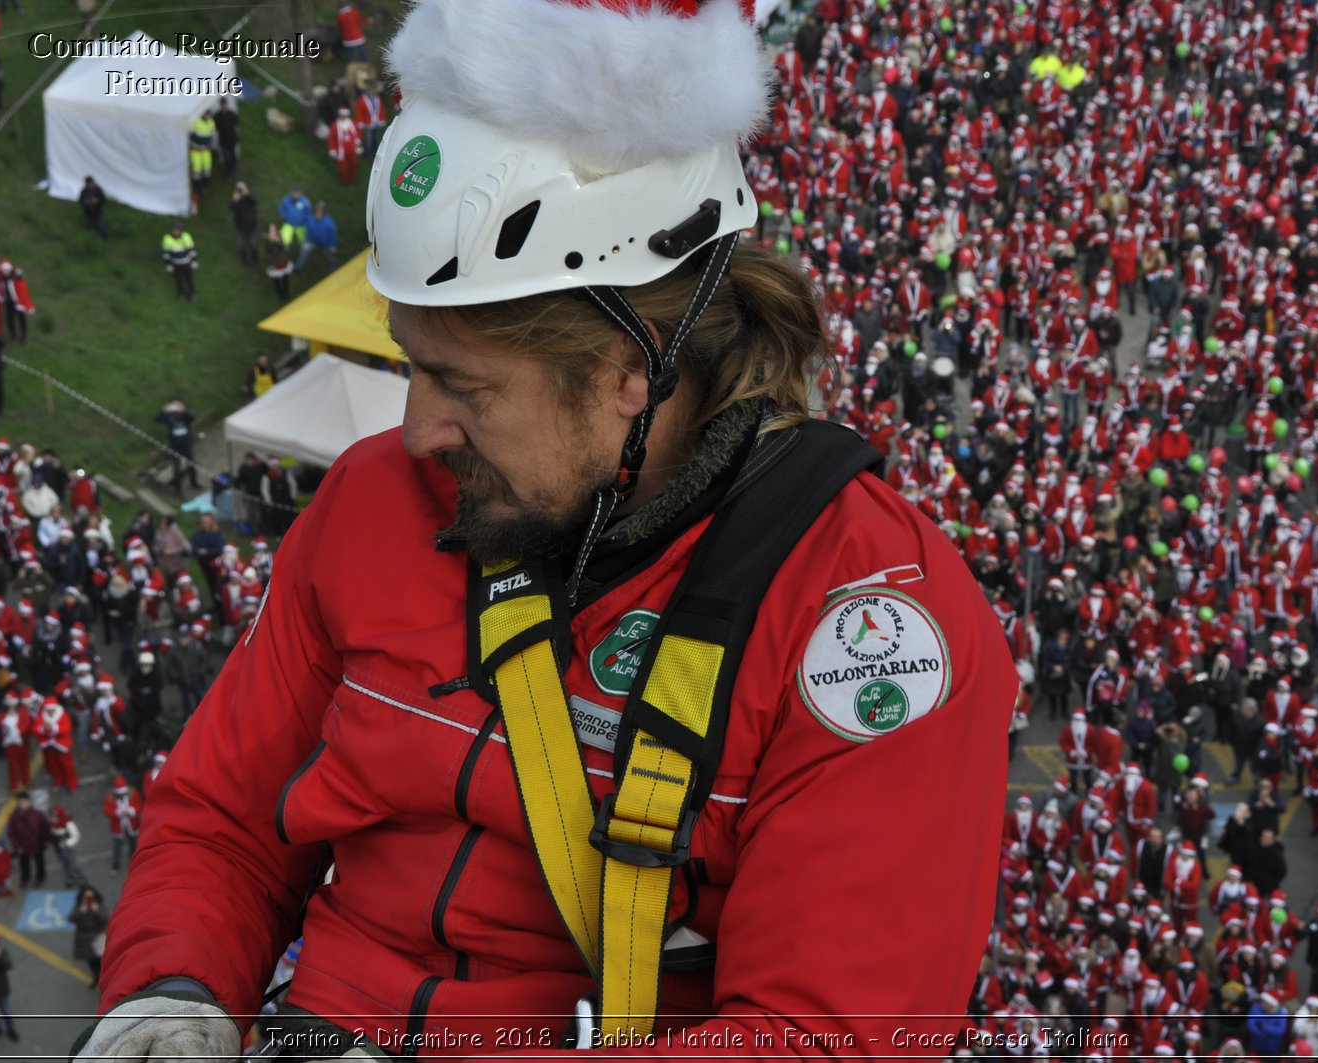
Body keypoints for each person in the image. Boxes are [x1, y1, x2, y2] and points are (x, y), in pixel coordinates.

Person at [78, 1, 1016, 1058]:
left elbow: (822, 1034)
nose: (417, 430)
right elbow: (224, 821)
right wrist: (170, 989)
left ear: (632, 372)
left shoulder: (870, 626)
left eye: (460, 385)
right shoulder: (370, 504)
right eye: (409, 363)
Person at [6, 790, 50, 889]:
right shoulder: (14, 817)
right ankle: (25, 879)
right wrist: (17, 847)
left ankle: (40, 877)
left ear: (29, 802)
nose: (23, 804)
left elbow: (45, 827)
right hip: (23, 847)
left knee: (40, 862)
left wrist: (46, 840)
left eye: (25, 801)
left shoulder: (37, 814)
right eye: (20, 802)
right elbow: (11, 833)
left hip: (37, 844)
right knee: (24, 865)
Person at [154, 399, 198, 494]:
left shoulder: (185, 415)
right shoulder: (168, 416)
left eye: (178, 405)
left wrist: (183, 410)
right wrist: (164, 411)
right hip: (175, 446)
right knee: (176, 468)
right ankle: (178, 489)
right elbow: (157, 419)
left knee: (192, 464)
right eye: (174, 405)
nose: (176, 407)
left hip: (186, 444)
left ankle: (194, 483)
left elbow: (193, 416)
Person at [69, 886, 108, 988]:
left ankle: (104, 981)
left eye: (91, 897)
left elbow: (105, 919)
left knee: (101, 961)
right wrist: (81, 910)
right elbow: (71, 918)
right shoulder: (80, 907)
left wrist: (96, 910)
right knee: (90, 960)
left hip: (97, 936)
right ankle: (96, 976)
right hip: (83, 937)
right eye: (86, 897)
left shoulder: (99, 905)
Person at [294, 199, 338, 273]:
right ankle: (298, 269)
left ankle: (332, 271)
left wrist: (332, 245)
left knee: (331, 258)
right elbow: (308, 232)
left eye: (321, 211)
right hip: (313, 242)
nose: (318, 212)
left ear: (323, 212)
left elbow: (333, 234)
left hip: (326, 244)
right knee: (304, 251)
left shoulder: (329, 221)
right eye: (317, 210)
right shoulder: (310, 219)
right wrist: (307, 242)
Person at [160, 223, 198, 302]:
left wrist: (194, 261)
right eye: (174, 230)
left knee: (190, 279)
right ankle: (181, 294)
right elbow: (166, 253)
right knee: (179, 280)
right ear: (171, 230)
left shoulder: (186, 236)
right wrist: (168, 264)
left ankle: (192, 294)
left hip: (187, 263)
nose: (176, 232)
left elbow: (192, 249)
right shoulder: (167, 239)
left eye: (177, 230)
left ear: (180, 230)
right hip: (175, 264)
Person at [229, 182, 259, 266]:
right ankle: (244, 260)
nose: (240, 191)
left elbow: (255, 201)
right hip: (240, 226)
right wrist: (235, 200)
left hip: (251, 226)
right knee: (240, 245)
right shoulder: (236, 198)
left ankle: (255, 261)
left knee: (253, 245)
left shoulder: (250, 197)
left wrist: (247, 194)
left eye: (242, 189)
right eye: (239, 189)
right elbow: (231, 207)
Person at [263, 222, 293, 300]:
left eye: (274, 230)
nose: (273, 232)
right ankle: (280, 292)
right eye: (271, 230)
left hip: (282, 260)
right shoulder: (267, 241)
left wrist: (278, 242)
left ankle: (286, 291)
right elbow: (267, 252)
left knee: (285, 276)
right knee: (276, 278)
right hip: (274, 261)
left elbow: (284, 248)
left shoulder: (280, 237)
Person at [213, 96, 240, 177]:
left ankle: (233, 171)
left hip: (232, 139)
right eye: (222, 105)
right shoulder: (217, 116)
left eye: (224, 104)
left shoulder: (232, 114)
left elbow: (236, 124)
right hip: (224, 141)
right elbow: (216, 127)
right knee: (227, 157)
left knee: (233, 157)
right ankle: (228, 173)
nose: (223, 106)